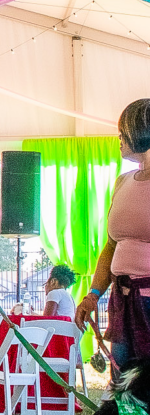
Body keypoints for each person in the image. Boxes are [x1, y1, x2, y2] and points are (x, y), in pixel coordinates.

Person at [75, 99, 150, 373]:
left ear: (140, 130)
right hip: (123, 300)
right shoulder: (123, 181)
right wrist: (93, 294)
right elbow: (111, 245)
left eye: (123, 131)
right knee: (122, 384)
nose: (119, 139)